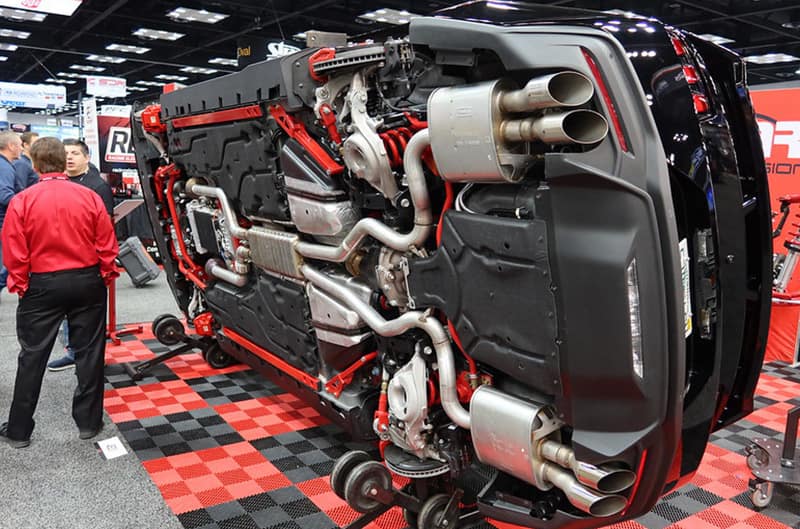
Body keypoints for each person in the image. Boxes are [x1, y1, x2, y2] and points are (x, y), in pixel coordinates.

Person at [0, 137, 118, 448]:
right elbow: (106, 241)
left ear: (35, 164)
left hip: (41, 284)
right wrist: (104, 273)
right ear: (62, 162)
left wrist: (22, 283)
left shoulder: (22, 201)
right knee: (90, 354)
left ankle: (18, 431)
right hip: (87, 280)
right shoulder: (90, 197)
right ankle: (89, 424)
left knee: (32, 356)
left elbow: (14, 250)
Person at [47, 139, 114, 372]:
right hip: (60, 257)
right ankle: (74, 352)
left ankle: (91, 357)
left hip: (88, 260)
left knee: (89, 316)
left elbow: (105, 228)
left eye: (75, 153)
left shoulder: (97, 186)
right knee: (67, 313)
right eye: (65, 153)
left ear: (87, 157)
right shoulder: (58, 183)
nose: (69, 157)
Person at [0, 130, 22, 295]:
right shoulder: (4, 167)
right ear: (11, 146)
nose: (21, 149)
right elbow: (5, 196)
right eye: (20, 145)